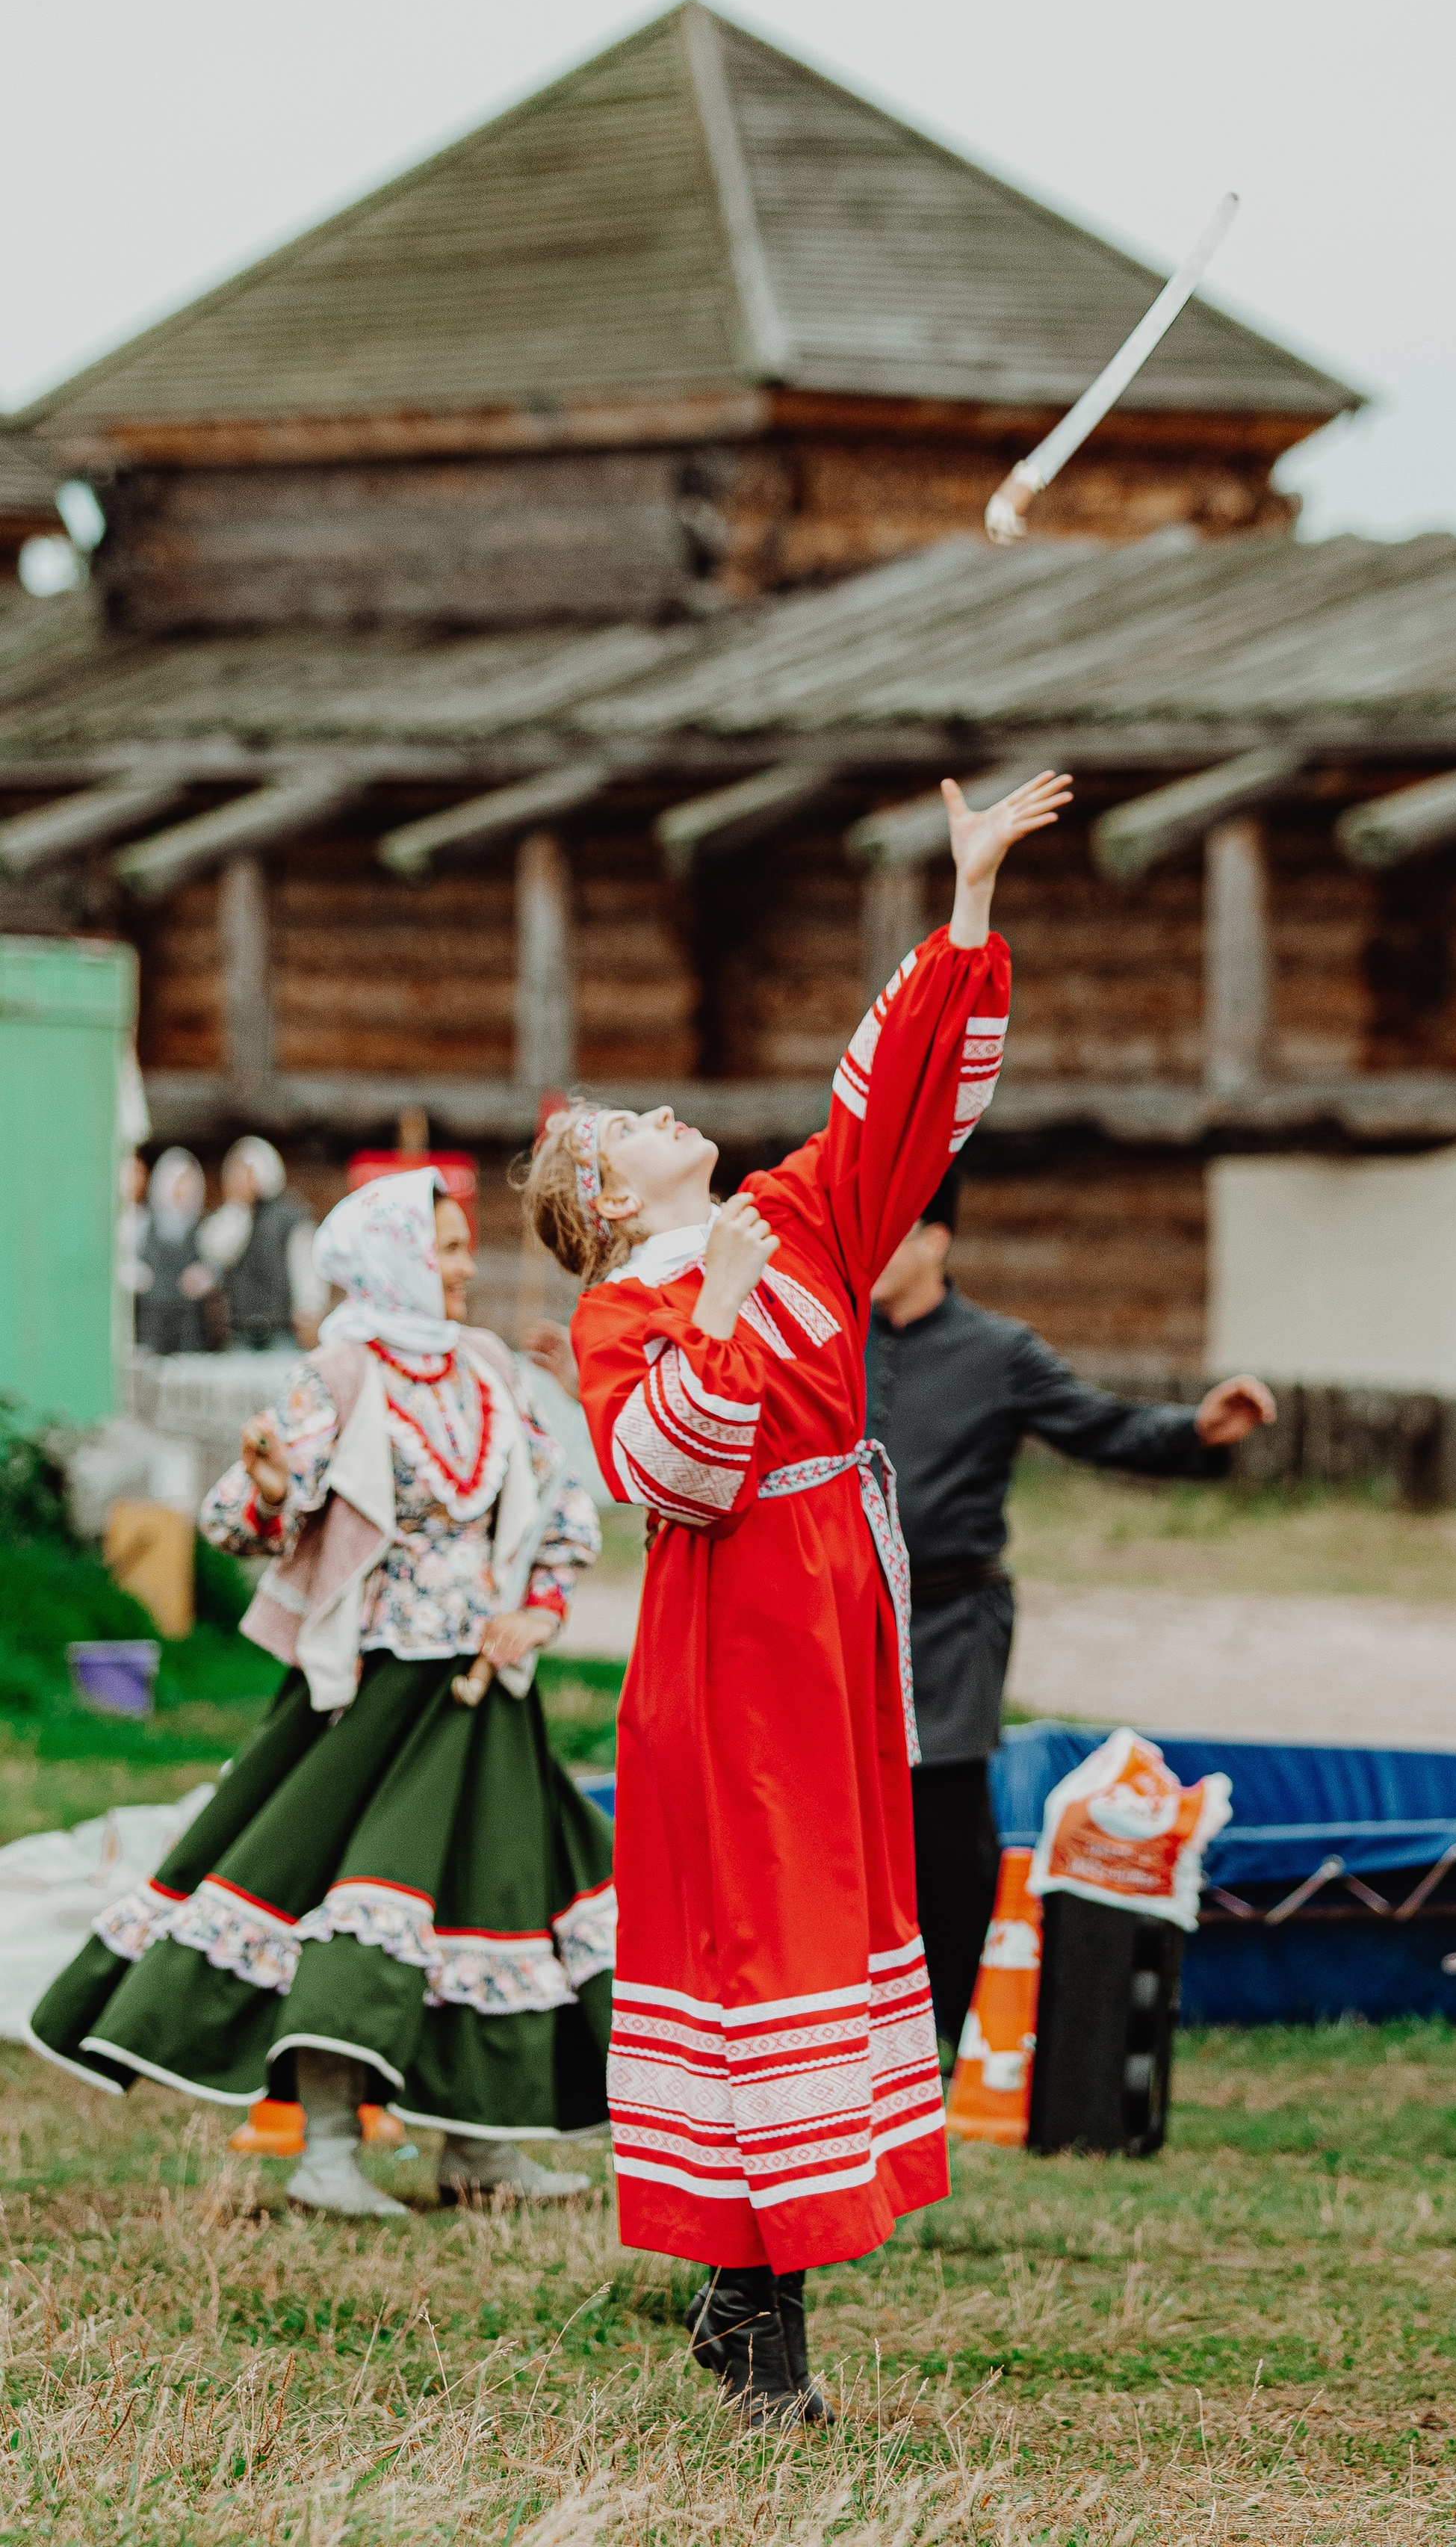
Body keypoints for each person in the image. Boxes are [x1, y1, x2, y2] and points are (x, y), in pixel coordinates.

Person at [518, 769, 1071, 2430]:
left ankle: (756, 2298)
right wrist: (731, 1312)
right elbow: (671, 1476)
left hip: (835, 1620)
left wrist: (965, 904)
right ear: (608, 1205)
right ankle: (760, 2315)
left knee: (824, 1929)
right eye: (625, 1130)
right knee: (765, 1947)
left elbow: (898, 1108)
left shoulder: (789, 1217)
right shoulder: (624, 1310)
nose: (660, 1117)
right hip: (734, 1642)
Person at [30, 1171, 612, 2219]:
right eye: (444, 1248)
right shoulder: (338, 1376)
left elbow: (561, 1502)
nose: (465, 1265)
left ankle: (479, 2151)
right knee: (355, 1903)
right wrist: (260, 1487)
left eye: (464, 1245)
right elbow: (242, 1517)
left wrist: (541, 1610)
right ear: (388, 1258)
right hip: (369, 1696)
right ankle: (329, 2152)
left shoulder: (487, 1369)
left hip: (486, 1692)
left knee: (496, 1903)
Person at [866, 1176, 1276, 2047]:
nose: (874, 1250)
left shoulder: (997, 1350)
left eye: (893, 1233)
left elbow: (1097, 1424)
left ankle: (956, 2023)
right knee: (850, 1815)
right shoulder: (829, 1341)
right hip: (844, 1618)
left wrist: (1196, 1430)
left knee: (943, 1816)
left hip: (950, 1620)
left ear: (937, 1241)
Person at [196, 1136, 321, 1351]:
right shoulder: (234, 1216)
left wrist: (309, 1308)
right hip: (241, 1327)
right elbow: (217, 1252)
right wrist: (238, 1208)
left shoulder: (290, 1216)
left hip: (281, 1328)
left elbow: (305, 1265)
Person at [132, 1146, 215, 1355]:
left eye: (188, 1181)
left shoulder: (204, 1229)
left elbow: (217, 1268)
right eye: (177, 1181)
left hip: (189, 1328)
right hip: (150, 1325)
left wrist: (209, 1275)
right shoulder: (141, 1226)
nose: (182, 1188)